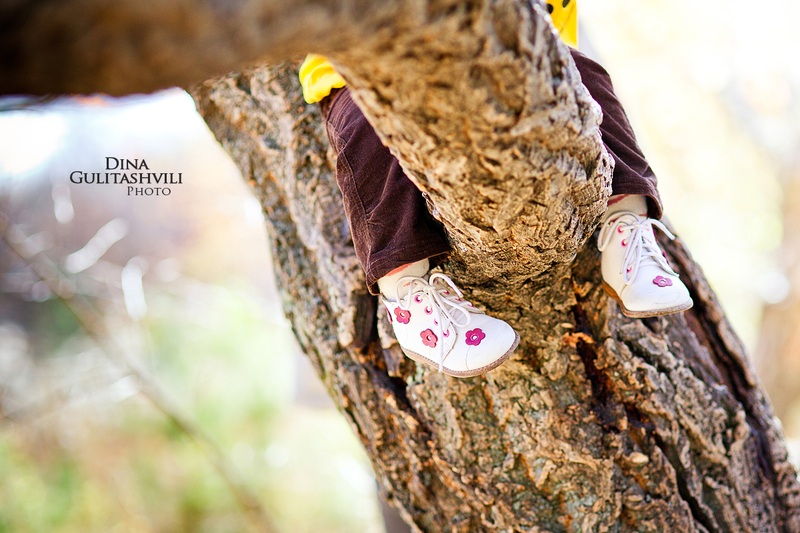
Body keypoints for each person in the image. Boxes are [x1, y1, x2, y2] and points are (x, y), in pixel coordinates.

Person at [299, 1, 692, 378]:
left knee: (588, 80)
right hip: (359, 67)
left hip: (514, 47)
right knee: (366, 129)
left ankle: (627, 224)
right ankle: (406, 294)